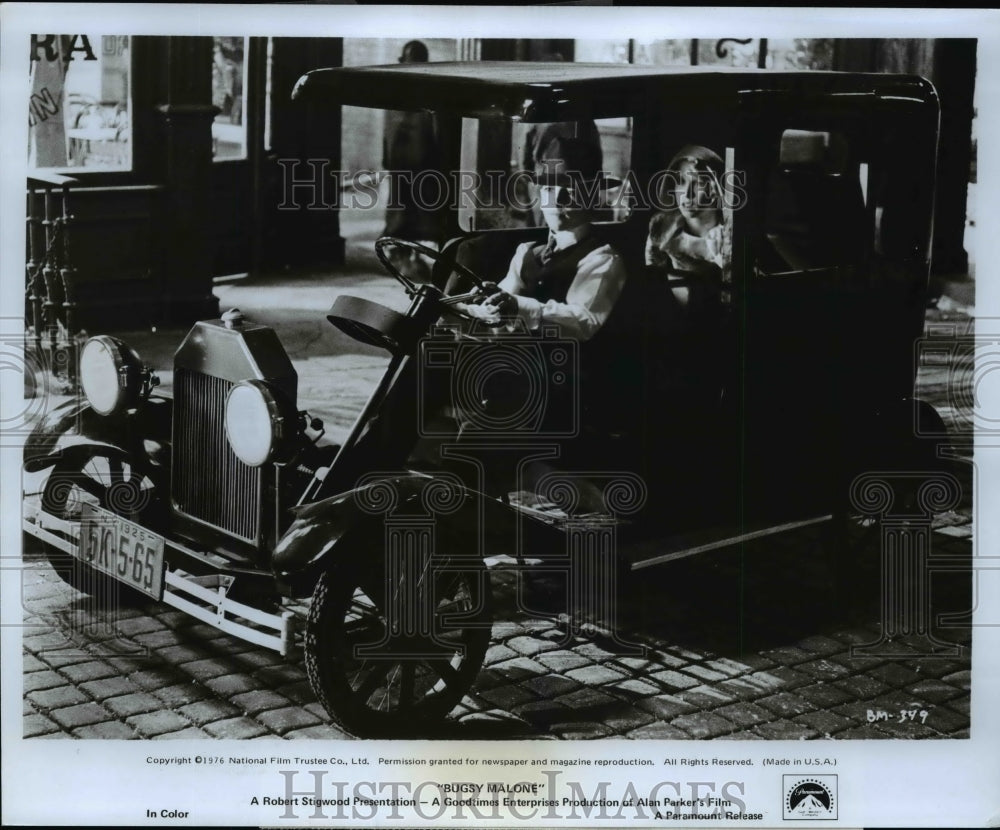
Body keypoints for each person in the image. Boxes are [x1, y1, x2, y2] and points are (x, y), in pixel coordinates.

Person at [475, 136, 627, 342]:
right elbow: (498, 322)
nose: (557, 200)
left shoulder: (602, 259)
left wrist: (517, 306)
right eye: (549, 189)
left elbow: (583, 323)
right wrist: (484, 306)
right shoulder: (527, 253)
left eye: (570, 190)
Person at [381, 41, 444, 281]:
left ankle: (407, 256)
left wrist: (388, 157)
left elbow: (390, 128)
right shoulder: (427, 86)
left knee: (410, 210)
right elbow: (390, 127)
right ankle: (405, 257)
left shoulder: (398, 86)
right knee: (414, 209)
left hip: (413, 160)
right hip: (416, 160)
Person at [644, 144, 730, 319]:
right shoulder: (663, 231)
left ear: (715, 188)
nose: (687, 194)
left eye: (698, 183)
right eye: (681, 182)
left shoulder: (730, 235)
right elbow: (651, 285)